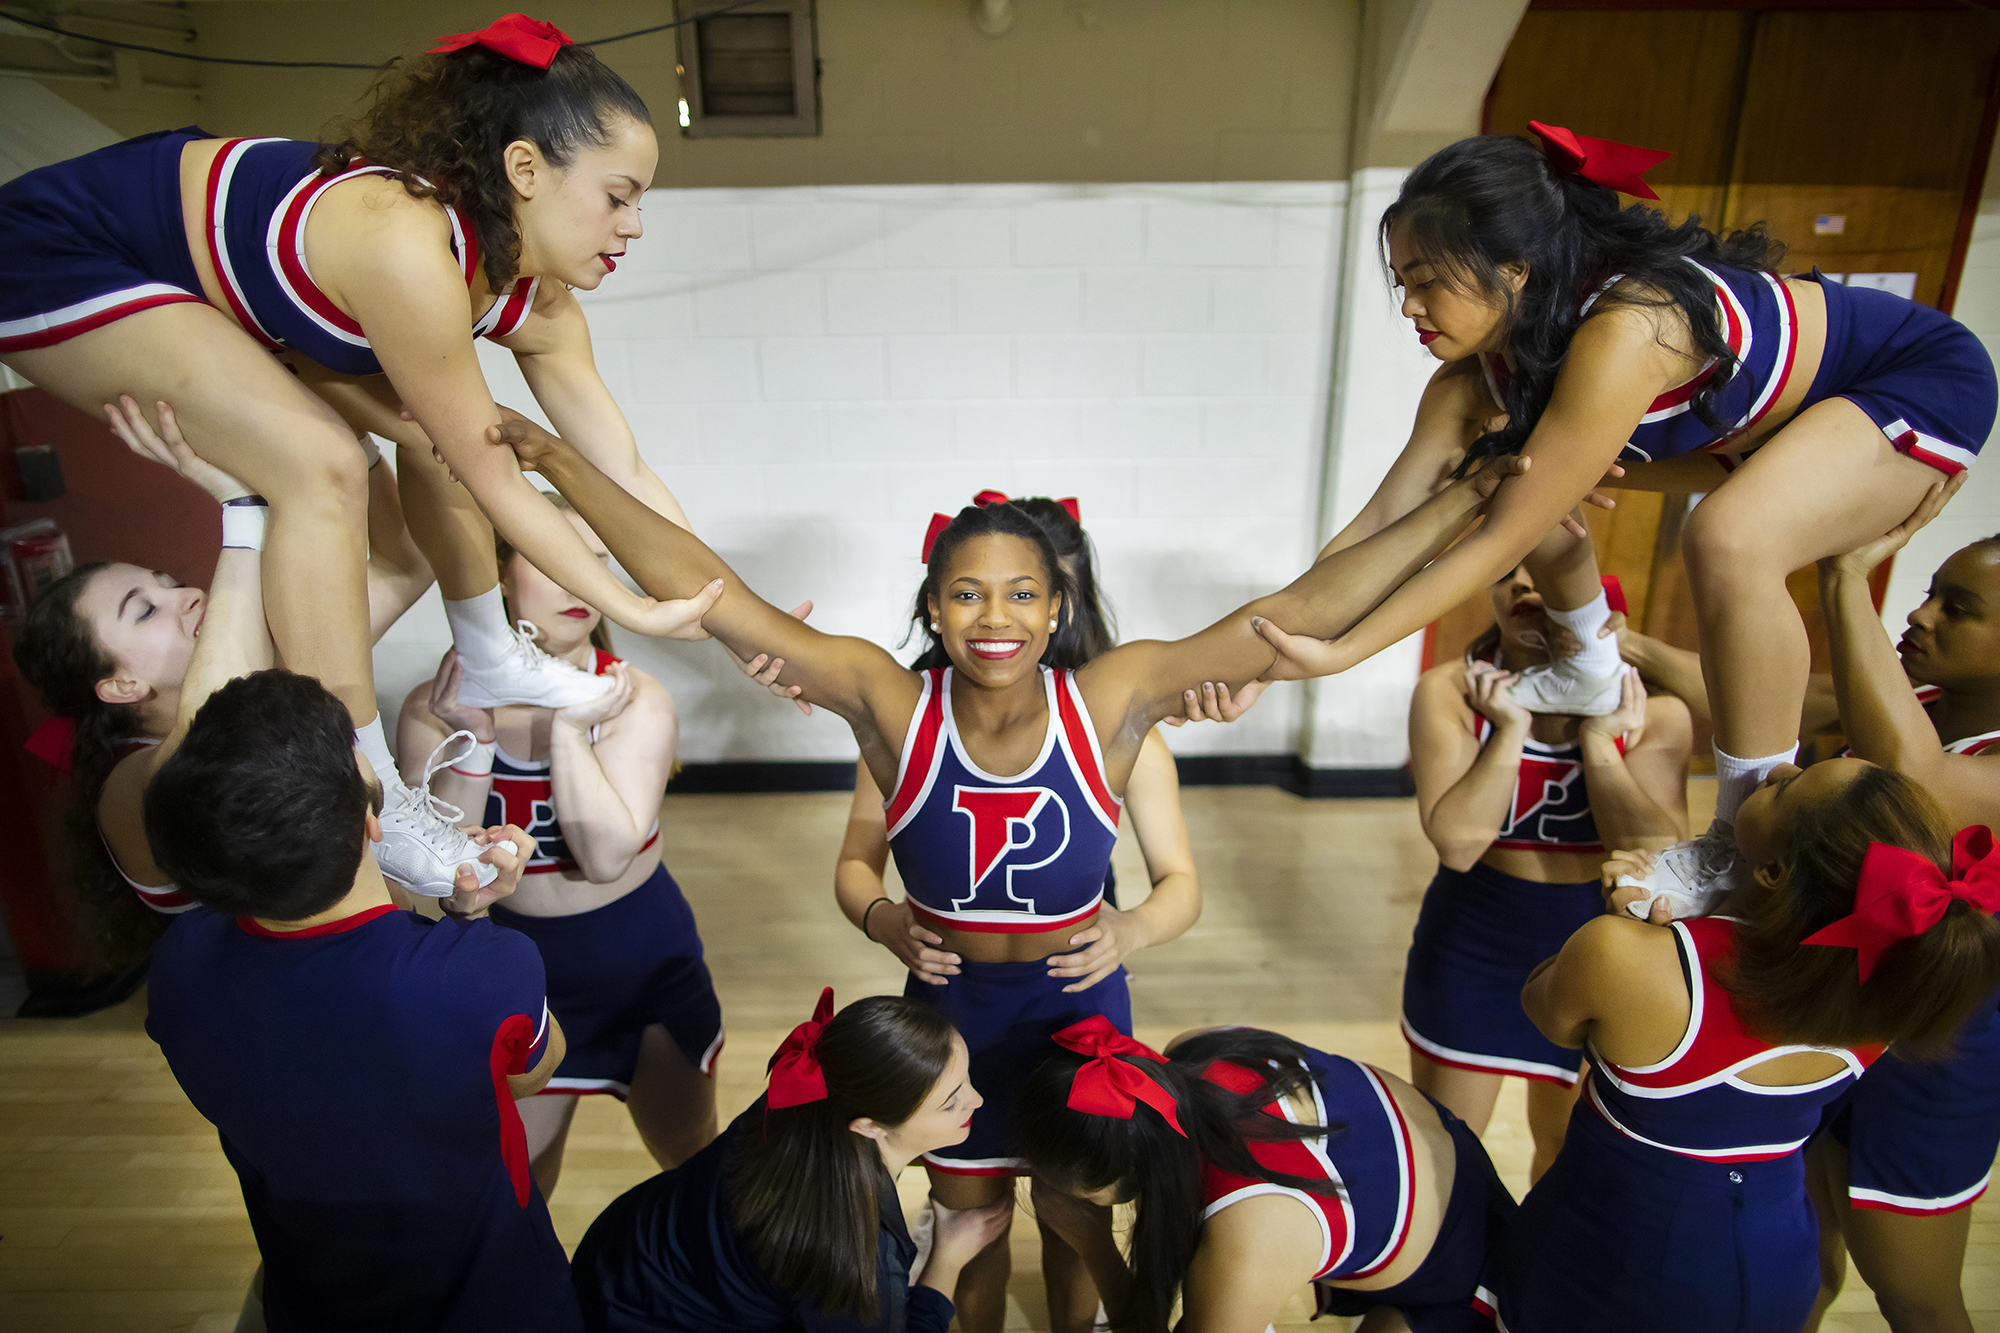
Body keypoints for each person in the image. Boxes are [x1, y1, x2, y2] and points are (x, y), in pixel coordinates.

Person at [491, 413, 1545, 1333]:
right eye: (965, 594)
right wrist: (562, 469)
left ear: (1053, 608)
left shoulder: (1114, 698)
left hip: (1077, 1006)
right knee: (969, 1224)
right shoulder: (888, 700)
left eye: (1018, 595)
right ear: (936, 608)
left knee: (1080, 1210)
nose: (992, 616)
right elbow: (716, 594)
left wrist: (1460, 503)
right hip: (950, 1019)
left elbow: (1295, 614)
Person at [0, 13, 720, 889]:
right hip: (67, 248)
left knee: (429, 433)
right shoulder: (408, 248)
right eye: (620, 194)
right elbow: (493, 469)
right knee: (321, 465)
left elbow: (625, 470)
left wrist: (725, 614)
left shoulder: (537, 296)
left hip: (216, 277)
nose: (635, 224)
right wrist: (630, 606)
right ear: (525, 170)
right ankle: (367, 781)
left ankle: (488, 649)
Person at [1247, 122, 1996, 909]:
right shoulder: (1479, 378)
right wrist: (1276, 641)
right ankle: (1590, 666)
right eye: (1400, 281)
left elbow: (1502, 539)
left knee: (1728, 536)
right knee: (1527, 479)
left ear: (1513, 268)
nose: (1408, 304)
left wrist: (1340, 655)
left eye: (1428, 280)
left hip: (1914, 380)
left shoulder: (1629, 331)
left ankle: (1738, 835)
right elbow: (1377, 526)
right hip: (1762, 416)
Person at [1487, 757, 2000, 1333]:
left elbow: (1542, 1008)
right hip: (1780, 1262)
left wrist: (1624, 923)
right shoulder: (1889, 990)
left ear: (1775, 872)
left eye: (1789, 788)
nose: (1779, 767)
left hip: (1614, 1256)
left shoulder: (1625, 955)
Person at [142, 669, 574, 1333]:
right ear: (374, 820)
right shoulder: (481, 972)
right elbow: (533, 1070)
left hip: (311, 1294)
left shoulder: (179, 964)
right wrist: (468, 925)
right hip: (493, 1299)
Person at [14, 398, 439, 965]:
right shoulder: (127, 785)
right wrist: (242, 508)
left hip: (382, 975)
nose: (186, 595)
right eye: (144, 611)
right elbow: (206, 734)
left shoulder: (271, 680)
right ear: (119, 686)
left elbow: (406, 564)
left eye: (166, 584)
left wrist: (347, 441)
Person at [400, 490, 721, 1201]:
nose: (585, 581)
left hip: (641, 963)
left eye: (599, 562)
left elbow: (607, 856)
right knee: (522, 1182)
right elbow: (440, 875)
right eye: (556, 560)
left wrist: (570, 730)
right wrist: (476, 742)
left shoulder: (638, 698)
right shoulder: (437, 706)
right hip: (521, 973)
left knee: (693, 1159)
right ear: (498, 577)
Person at [1404, 560, 1690, 1181]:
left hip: (1598, 945)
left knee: (1565, 1148)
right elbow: (1457, 844)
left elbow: (1658, 857)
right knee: (1446, 1148)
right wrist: (1511, 728)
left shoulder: (1654, 710)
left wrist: (1598, 741)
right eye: (1507, 569)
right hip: (1474, 938)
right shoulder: (1450, 691)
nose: (1527, 584)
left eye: (1547, 571)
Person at [1797, 484, 2000, 1333]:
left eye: (1959, 608)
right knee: (1801, 1254)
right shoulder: (1915, 708)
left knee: (1914, 1295)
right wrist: (1613, 638)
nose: (1920, 615)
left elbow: (1918, 786)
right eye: (1924, 592)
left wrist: (1848, 581)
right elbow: (1763, 684)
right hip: (1837, 1006)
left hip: (1935, 1050)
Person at [1014, 1018, 1514, 1332]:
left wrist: (1093, 1244)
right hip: (1446, 1172)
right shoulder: (1197, 1048)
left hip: (1468, 1283)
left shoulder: (1249, 1233)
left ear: (1135, 1174)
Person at [570, 988, 1015, 1332]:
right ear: (869, 1125)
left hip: (617, 1254)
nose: (976, 1101)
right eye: (951, 1103)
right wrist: (947, 1258)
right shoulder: (853, 1254)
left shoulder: (803, 1093)